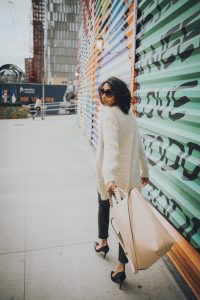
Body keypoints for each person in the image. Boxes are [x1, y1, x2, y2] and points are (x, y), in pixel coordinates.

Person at [94, 77, 149, 289]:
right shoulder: (129, 115)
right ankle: (120, 267)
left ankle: (103, 243)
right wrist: (145, 170)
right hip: (130, 179)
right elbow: (140, 146)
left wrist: (108, 178)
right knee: (125, 223)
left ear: (118, 93)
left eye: (109, 92)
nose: (103, 96)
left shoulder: (109, 116)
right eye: (101, 91)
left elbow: (112, 149)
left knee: (104, 206)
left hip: (111, 179)